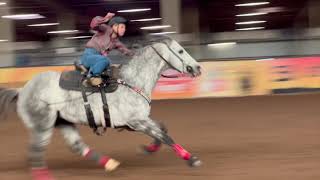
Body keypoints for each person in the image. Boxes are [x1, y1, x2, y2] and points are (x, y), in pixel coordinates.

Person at [80, 12, 133, 86]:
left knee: (111, 65)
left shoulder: (116, 42)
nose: (124, 30)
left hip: (98, 60)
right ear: (114, 26)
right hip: (89, 56)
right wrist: (104, 19)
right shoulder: (105, 29)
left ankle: (98, 79)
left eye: (125, 28)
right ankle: (91, 78)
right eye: (122, 27)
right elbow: (93, 24)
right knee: (105, 60)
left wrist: (140, 55)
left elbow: (127, 51)